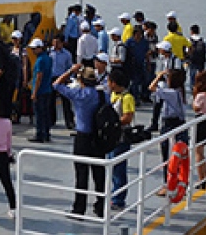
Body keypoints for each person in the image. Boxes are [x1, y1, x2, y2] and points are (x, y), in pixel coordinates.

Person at [53, 65, 106, 219]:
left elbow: (56, 84)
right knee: (99, 174)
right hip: (98, 137)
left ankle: (79, 208)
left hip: (83, 137)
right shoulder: (102, 95)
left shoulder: (78, 94)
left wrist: (70, 71)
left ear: (81, 80)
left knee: (81, 174)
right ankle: (101, 206)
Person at [148, 67, 188, 196]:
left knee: (168, 155)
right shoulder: (180, 91)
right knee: (178, 156)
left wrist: (158, 76)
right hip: (179, 123)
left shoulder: (171, 93)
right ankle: (180, 182)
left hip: (170, 125)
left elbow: (151, 87)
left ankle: (169, 184)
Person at [106, 69, 135, 211]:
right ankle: (113, 194)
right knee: (112, 168)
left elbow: (128, 117)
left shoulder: (127, 97)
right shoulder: (113, 95)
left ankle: (118, 199)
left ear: (114, 83)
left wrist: (114, 123)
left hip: (121, 138)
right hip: (111, 137)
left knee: (119, 170)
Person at [28, 38, 53, 142]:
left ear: (40, 48)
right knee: (46, 113)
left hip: (40, 90)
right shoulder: (48, 58)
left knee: (39, 114)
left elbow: (39, 76)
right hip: (48, 89)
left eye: (34, 49)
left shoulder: (40, 61)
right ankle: (46, 133)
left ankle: (39, 134)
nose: (33, 51)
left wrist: (34, 93)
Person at [49, 34, 75, 129]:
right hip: (52, 78)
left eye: (58, 42)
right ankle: (51, 120)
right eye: (54, 42)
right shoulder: (49, 52)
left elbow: (70, 67)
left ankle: (69, 121)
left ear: (62, 43)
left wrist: (69, 79)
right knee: (51, 100)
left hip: (62, 78)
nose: (56, 44)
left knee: (66, 101)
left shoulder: (67, 54)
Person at [125, 27, 149, 102]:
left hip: (142, 64)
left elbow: (147, 53)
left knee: (144, 80)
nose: (138, 35)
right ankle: (135, 98)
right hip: (132, 65)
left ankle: (143, 96)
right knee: (134, 82)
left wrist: (148, 64)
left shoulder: (145, 42)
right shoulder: (129, 42)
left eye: (140, 34)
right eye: (137, 34)